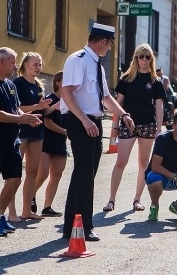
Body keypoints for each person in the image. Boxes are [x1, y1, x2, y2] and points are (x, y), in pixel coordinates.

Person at [60, 23, 133, 241]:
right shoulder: (78, 59)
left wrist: (124, 114)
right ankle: (84, 226)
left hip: (93, 121)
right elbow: (66, 92)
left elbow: (106, 97)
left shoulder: (96, 65)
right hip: (80, 121)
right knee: (84, 176)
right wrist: (84, 120)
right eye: (110, 43)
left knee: (85, 174)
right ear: (103, 41)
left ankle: (71, 226)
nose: (110, 48)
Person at [0, 47, 42, 237]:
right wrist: (20, 119)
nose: (15, 66)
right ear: (1, 62)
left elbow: (16, 110)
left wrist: (28, 117)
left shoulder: (10, 86)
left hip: (11, 141)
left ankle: (0, 215)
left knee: (14, 180)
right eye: (12, 62)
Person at [104, 43, 165, 213]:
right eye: (141, 56)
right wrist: (115, 125)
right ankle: (111, 199)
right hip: (128, 123)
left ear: (151, 59)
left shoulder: (155, 81)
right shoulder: (126, 79)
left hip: (148, 124)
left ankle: (137, 199)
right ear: (136, 58)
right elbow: (118, 103)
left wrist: (159, 128)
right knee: (121, 162)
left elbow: (159, 106)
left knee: (144, 163)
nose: (144, 60)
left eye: (147, 57)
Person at [9, 52, 52, 221]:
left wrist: (55, 106)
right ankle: (11, 212)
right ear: (25, 65)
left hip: (37, 132)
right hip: (20, 132)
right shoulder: (17, 84)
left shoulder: (39, 85)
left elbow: (43, 110)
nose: (38, 68)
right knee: (14, 173)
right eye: (35, 64)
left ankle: (26, 210)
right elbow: (15, 108)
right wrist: (37, 106)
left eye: (40, 65)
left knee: (33, 172)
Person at [34, 71, 67, 217]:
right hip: (46, 142)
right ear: (58, 83)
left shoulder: (70, 100)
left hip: (60, 143)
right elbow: (47, 123)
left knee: (56, 176)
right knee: (43, 174)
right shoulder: (50, 99)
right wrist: (66, 132)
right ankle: (31, 196)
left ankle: (47, 207)